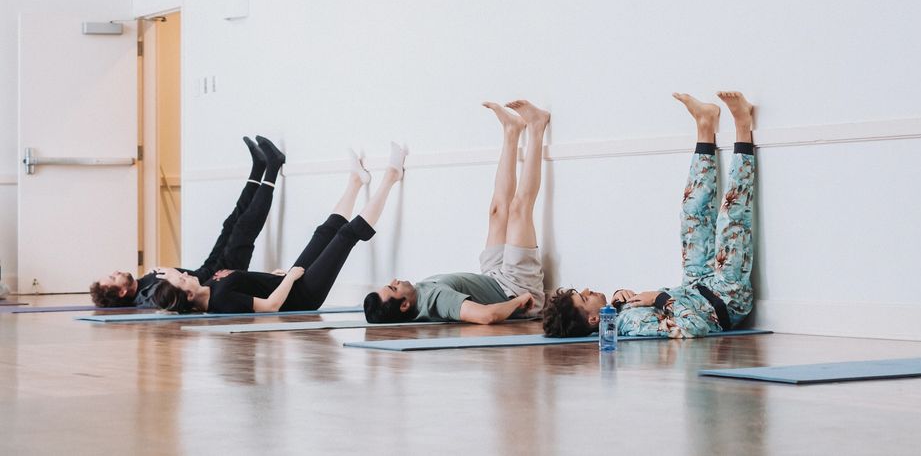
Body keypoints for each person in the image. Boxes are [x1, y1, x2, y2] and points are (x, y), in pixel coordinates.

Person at [542, 91, 756, 338]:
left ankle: (705, 125)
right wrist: (659, 298)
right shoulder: (632, 325)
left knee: (692, 213)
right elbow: (693, 328)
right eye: (583, 297)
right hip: (727, 298)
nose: (588, 290)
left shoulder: (621, 314)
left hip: (698, 284)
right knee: (731, 218)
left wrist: (621, 300)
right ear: (593, 319)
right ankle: (743, 125)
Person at [150, 142, 406, 314]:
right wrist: (290, 279)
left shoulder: (210, 287)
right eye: (183, 280)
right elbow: (270, 306)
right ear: (190, 297)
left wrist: (273, 278)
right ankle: (391, 176)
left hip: (290, 282)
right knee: (346, 236)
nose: (185, 275)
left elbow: (253, 288)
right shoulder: (220, 300)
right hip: (303, 296)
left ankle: (355, 182)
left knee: (324, 232)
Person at [363, 100, 548, 325]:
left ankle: (511, 131)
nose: (395, 280)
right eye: (393, 287)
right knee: (519, 210)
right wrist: (519, 301)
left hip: (493, 277)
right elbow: (486, 316)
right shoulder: (436, 300)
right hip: (516, 286)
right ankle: (537, 126)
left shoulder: (420, 294)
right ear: (404, 305)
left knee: (497, 211)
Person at [89, 136, 284, 307]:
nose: (115, 272)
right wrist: (172, 275)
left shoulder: (142, 282)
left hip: (208, 269)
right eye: (114, 278)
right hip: (218, 281)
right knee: (243, 228)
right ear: (122, 292)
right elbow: (174, 301)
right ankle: (273, 166)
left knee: (231, 223)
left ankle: (258, 167)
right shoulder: (148, 297)